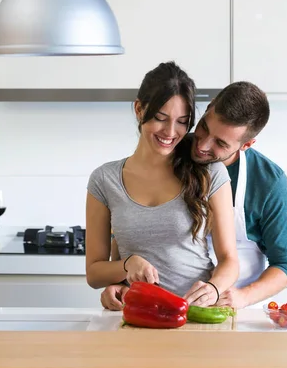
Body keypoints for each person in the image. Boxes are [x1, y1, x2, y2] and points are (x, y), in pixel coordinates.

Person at [100, 80, 287, 311]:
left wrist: (243, 296)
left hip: (233, 307)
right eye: (204, 127)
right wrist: (117, 282)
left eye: (220, 143)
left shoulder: (270, 184)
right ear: (207, 109)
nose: (202, 145)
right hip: (156, 305)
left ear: (247, 145)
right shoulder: (168, 149)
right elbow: (130, 227)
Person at [86, 61, 239, 308]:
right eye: (161, 118)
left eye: (182, 121)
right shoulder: (105, 180)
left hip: (195, 314)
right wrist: (126, 266)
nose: (170, 131)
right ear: (138, 109)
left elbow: (229, 260)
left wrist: (213, 288)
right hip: (138, 315)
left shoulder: (210, 173)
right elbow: (94, 274)